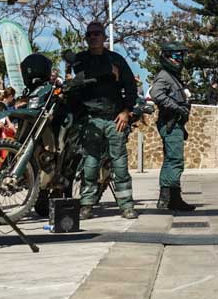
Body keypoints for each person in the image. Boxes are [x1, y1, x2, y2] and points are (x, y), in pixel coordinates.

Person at [69, 21, 139, 220]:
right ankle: (86, 205)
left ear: (104, 37)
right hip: (91, 120)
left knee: (120, 165)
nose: (93, 37)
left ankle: (126, 206)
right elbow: (83, 77)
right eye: (89, 34)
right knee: (90, 165)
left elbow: (131, 87)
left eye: (97, 34)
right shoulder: (81, 59)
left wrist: (126, 111)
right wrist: (109, 72)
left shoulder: (117, 59)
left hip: (115, 119)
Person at [148, 42, 196, 211]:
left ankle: (167, 198)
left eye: (181, 56)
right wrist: (176, 107)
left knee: (170, 160)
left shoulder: (173, 76)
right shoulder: (165, 75)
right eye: (176, 56)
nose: (179, 59)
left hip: (175, 123)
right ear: (166, 57)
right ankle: (171, 199)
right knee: (175, 160)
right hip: (170, 122)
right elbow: (156, 94)